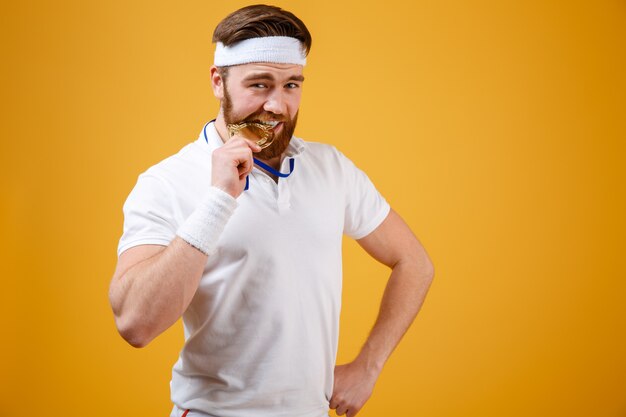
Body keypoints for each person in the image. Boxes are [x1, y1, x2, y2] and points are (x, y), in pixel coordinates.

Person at [108, 4, 434, 417]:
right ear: (218, 81)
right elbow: (135, 323)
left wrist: (369, 366)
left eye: (291, 85)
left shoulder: (332, 168)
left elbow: (414, 262)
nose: (278, 106)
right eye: (259, 85)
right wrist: (219, 199)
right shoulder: (167, 181)